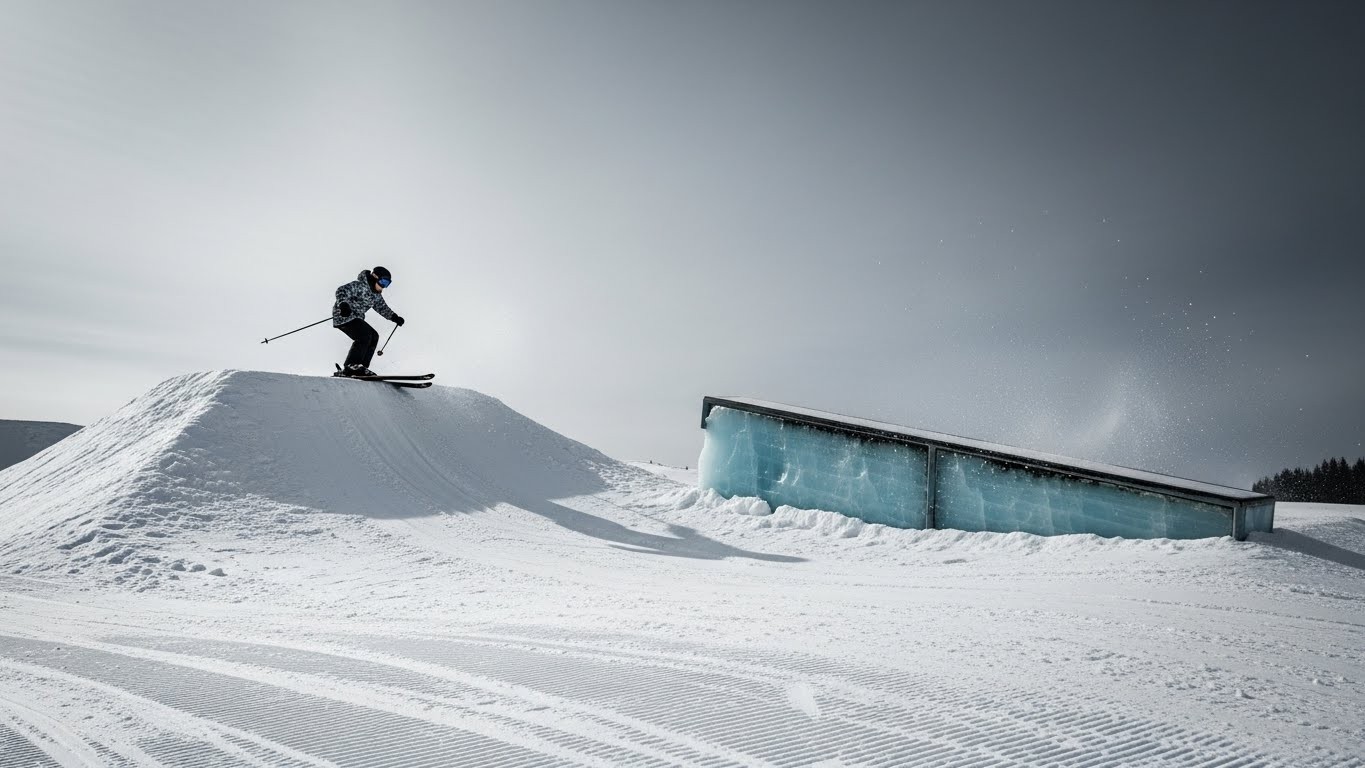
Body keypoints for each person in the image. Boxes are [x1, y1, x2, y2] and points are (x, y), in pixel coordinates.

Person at [334, 266, 405, 376]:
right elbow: (341, 290)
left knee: (374, 336)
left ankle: (361, 367)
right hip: (343, 315)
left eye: (387, 284)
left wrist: (394, 317)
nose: (383, 286)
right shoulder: (360, 286)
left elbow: (382, 308)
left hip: (356, 318)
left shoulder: (376, 295)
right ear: (374, 277)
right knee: (364, 335)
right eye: (383, 282)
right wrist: (343, 305)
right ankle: (351, 366)